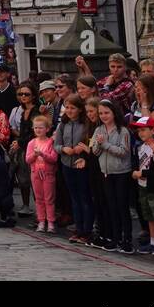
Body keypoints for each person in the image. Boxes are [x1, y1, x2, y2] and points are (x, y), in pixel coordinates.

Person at [90, 101, 134, 254]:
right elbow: (95, 152)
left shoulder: (123, 131)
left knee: (122, 206)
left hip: (121, 172)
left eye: (106, 113)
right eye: (101, 113)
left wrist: (105, 144)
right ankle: (115, 238)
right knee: (111, 206)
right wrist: (98, 144)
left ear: (114, 112)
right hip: (106, 172)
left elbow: (123, 152)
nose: (103, 116)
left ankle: (127, 239)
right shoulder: (98, 130)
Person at [55, 96, 93, 244]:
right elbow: (56, 144)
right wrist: (63, 149)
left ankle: (87, 230)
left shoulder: (86, 124)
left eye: (73, 108)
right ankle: (78, 228)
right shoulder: (63, 124)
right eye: (67, 108)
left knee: (84, 198)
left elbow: (90, 141)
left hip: (81, 164)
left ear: (80, 109)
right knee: (74, 198)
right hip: (66, 164)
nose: (69, 111)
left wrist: (81, 149)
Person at [130, 116, 154, 256]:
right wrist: (135, 172)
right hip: (142, 185)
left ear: (153, 130)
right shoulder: (139, 147)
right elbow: (136, 163)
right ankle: (153, 241)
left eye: (144, 130)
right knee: (148, 214)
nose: (140, 133)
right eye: (138, 130)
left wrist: (143, 173)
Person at [8, 84, 39, 216]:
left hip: (33, 148)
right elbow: (22, 131)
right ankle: (26, 206)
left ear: (33, 96)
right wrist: (18, 141)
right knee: (23, 179)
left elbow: (34, 132)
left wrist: (19, 142)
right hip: (22, 148)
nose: (23, 97)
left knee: (34, 181)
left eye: (26, 94)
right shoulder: (22, 110)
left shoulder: (36, 111)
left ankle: (40, 211)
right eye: (21, 94)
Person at [26, 115, 58, 233]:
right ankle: (41, 221)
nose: (38, 130)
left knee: (49, 199)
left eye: (41, 128)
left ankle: (50, 222)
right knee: (39, 198)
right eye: (36, 128)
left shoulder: (51, 142)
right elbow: (28, 160)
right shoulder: (31, 143)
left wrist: (42, 154)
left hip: (48, 174)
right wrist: (35, 155)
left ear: (47, 129)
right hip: (35, 174)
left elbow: (53, 158)